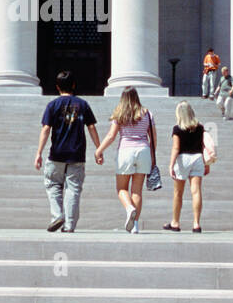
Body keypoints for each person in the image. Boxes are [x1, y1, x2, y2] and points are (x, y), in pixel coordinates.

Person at [35, 70, 100, 232]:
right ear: (73, 85)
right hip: (76, 154)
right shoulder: (83, 104)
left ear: (57, 87)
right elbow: (91, 127)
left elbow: (45, 129)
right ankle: (69, 225)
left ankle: (57, 215)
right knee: (73, 189)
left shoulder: (52, 105)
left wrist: (39, 153)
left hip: (56, 153)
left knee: (53, 185)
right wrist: (99, 149)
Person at [95, 86, 156, 234]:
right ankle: (134, 226)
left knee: (121, 188)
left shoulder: (119, 114)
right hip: (144, 150)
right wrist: (153, 155)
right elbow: (153, 137)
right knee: (137, 191)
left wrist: (99, 150)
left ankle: (129, 208)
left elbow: (111, 136)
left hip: (125, 151)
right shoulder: (147, 113)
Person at [163, 100, 209, 233]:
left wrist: (171, 165)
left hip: (183, 159)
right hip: (197, 158)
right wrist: (206, 163)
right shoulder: (200, 127)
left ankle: (175, 222)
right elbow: (203, 146)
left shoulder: (177, 128)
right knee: (196, 191)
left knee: (178, 193)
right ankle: (196, 224)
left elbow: (176, 148)